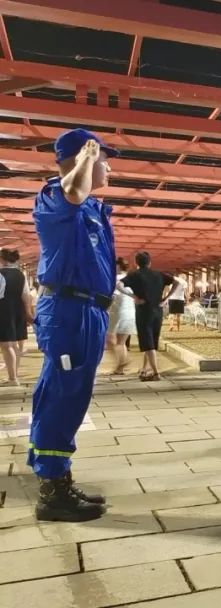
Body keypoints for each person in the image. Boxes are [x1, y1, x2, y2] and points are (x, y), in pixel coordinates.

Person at [30, 128, 118, 521]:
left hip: (86, 312)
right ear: (82, 159)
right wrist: (86, 157)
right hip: (70, 312)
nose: (108, 168)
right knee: (62, 399)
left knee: (69, 396)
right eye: (103, 160)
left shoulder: (89, 210)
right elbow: (72, 191)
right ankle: (52, 494)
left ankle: (59, 478)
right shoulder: (56, 196)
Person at [122, 251, 178, 381]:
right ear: (150, 262)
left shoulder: (134, 275)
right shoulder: (159, 274)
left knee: (147, 343)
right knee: (151, 341)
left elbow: (118, 285)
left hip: (143, 312)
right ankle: (145, 369)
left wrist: (133, 296)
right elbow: (177, 283)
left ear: (136, 263)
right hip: (157, 311)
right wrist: (166, 299)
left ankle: (156, 373)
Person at [0, 248, 31, 386]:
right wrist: (28, 313)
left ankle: (12, 379)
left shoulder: (1, 274)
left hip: (4, 311)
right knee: (13, 345)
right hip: (17, 311)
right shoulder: (20, 275)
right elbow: (26, 296)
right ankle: (14, 375)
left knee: (6, 345)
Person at [106, 257, 136, 375]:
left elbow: (111, 295)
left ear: (117, 266)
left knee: (109, 340)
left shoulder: (114, 279)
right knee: (121, 342)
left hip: (117, 311)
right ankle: (120, 368)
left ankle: (123, 361)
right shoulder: (131, 278)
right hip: (130, 311)